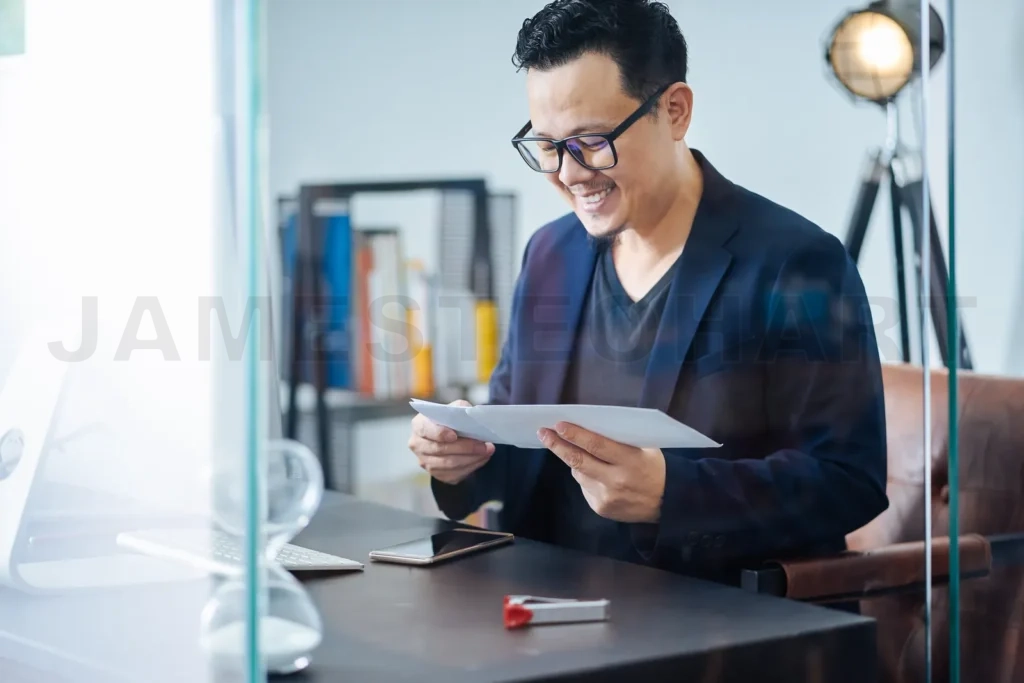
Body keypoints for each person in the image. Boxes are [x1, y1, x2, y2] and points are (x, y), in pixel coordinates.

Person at [408, 0, 888, 585]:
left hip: (711, 623)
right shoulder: (549, 254)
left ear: (675, 111)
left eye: (591, 140)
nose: (569, 173)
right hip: (540, 606)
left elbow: (847, 480)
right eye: (548, 146)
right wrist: (463, 458)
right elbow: (520, 452)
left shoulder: (794, 262)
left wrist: (671, 494)